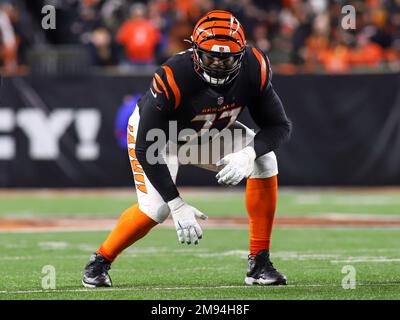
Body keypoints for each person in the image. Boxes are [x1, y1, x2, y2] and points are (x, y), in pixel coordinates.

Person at [82, 9, 291, 288]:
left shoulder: (255, 67)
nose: (217, 64)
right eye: (210, 56)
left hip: (206, 134)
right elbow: (146, 147)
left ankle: (259, 263)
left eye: (226, 57)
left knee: (265, 161)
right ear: (194, 51)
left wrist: (248, 153)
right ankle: (99, 262)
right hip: (161, 140)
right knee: (156, 210)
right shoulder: (174, 75)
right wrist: (177, 204)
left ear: (241, 54)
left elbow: (279, 126)